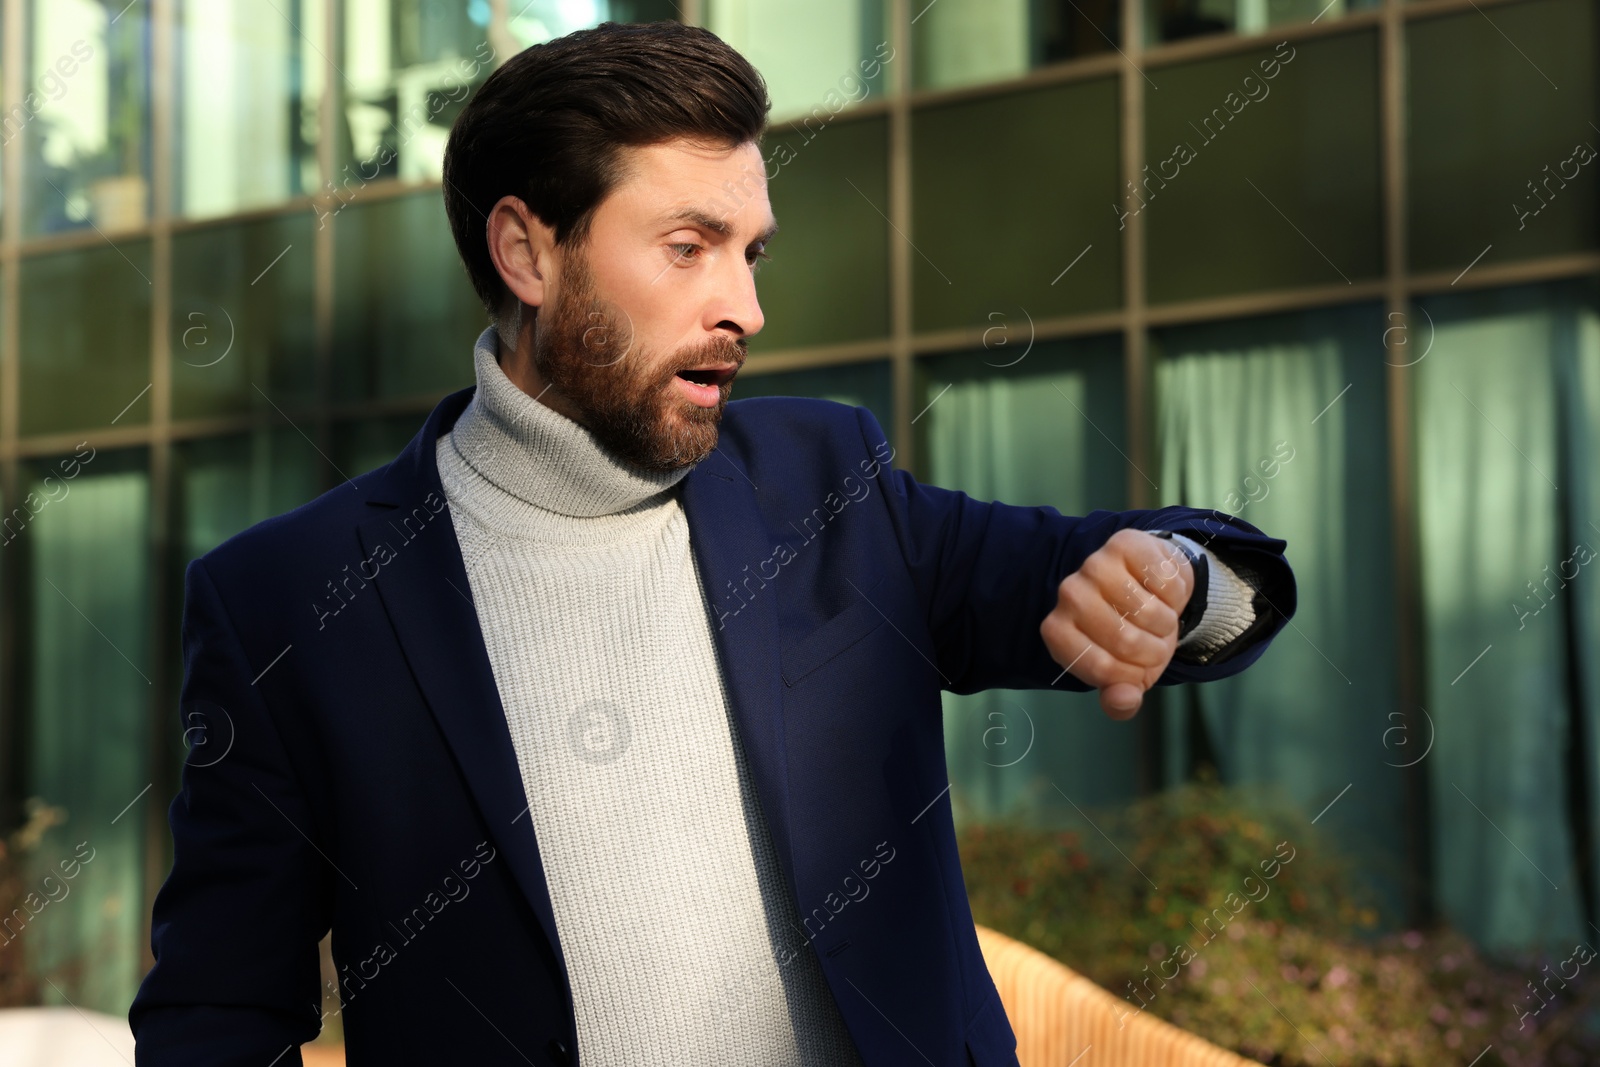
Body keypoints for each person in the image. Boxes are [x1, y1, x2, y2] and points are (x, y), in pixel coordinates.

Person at [129, 19, 1295, 1067]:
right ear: (528, 254)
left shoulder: (832, 486)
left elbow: (1170, 563)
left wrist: (1174, 579)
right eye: (688, 246)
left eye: (752, 251)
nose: (744, 306)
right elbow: (217, 1011)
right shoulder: (289, 599)